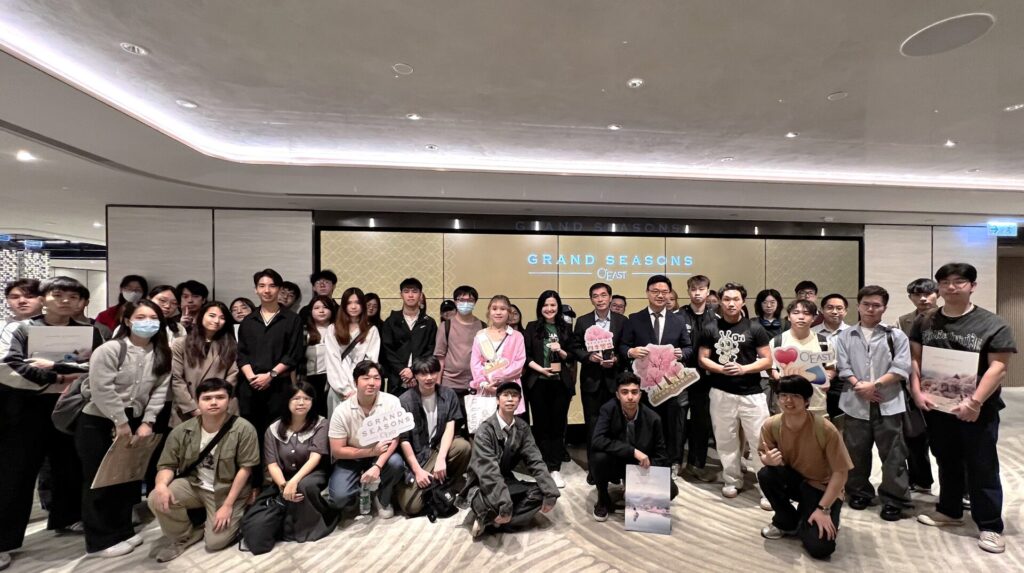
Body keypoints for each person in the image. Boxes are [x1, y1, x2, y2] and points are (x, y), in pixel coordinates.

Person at [910, 262, 1017, 554]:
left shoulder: (992, 323)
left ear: (972, 286)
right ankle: (950, 510)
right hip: (938, 406)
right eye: (945, 282)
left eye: (959, 281)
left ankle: (990, 525)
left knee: (982, 464)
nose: (951, 287)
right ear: (938, 287)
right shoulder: (926, 321)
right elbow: (916, 358)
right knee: (946, 459)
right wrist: (917, 391)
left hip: (977, 409)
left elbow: (998, 367)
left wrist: (975, 402)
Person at [0, 277, 103, 571]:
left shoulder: (89, 332)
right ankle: (3, 541)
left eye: (73, 296)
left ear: (82, 302)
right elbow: (10, 365)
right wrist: (60, 376)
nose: (65, 301)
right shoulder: (20, 329)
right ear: (44, 298)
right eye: (58, 295)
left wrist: (57, 369)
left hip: (70, 406)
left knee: (69, 464)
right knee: (15, 473)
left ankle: (67, 517)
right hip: (25, 408)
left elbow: (96, 365)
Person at [75, 299, 171, 557]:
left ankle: (122, 531)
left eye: (153, 317)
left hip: (137, 419)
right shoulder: (110, 350)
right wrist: (121, 422)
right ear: (127, 321)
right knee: (100, 480)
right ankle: (100, 541)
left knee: (125, 478)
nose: (147, 322)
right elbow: (102, 389)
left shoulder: (161, 353)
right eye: (140, 317)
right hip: (99, 419)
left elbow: (159, 391)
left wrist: (148, 421)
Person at [148, 378, 260, 562]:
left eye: (220, 397)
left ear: (230, 400)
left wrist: (228, 505)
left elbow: (245, 469)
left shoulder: (244, 429)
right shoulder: (182, 431)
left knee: (215, 542)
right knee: (156, 496)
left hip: (227, 490)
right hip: (194, 484)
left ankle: (233, 516)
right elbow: (167, 465)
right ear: (197, 401)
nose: (214, 402)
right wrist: (160, 486)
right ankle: (184, 536)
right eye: (207, 398)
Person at [834, 285, 912, 521]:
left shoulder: (896, 335)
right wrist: (860, 386)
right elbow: (843, 367)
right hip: (855, 402)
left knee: (893, 454)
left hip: (889, 402)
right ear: (858, 306)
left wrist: (874, 386)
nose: (870, 309)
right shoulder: (845, 336)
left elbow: (901, 367)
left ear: (884, 308)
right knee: (855, 451)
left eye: (876, 305)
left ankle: (894, 499)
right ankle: (859, 491)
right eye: (866, 304)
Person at [758, 376, 853, 560]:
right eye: (783, 395)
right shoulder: (772, 425)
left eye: (795, 396)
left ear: (807, 401)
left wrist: (823, 509)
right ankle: (786, 521)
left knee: (821, 548)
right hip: (796, 481)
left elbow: (841, 473)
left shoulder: (825, 429)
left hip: (822, 488)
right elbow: (764, 454)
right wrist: (767, 460)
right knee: (766, 474)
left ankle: (813, 516)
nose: (788, 400)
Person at [698, 282, 772, 505]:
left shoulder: (755, 328)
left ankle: (768, 488)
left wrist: (744, 369)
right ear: (720, 302)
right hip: (721, 392)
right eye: (727, 299)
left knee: (760, 440)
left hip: (752, 393)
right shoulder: (710, 328)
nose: (731, 303)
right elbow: (703, 359)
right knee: (725, 439)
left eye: (736, 299)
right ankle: (732, 480)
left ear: (743, 301)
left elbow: (767, 360)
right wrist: (722, 369)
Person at [462, 381, 559, 538]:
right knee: (490, 501)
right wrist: (504, 503)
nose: (510, 399)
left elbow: (535, 461)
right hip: (482, 483)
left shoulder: (522, 428)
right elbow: (488, 472)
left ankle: (490, 520)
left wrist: (550, 491)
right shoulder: (485, 430)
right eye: (505, 395)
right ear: (497, 400)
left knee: (540, 494)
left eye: (514, 396)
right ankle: (495, 513)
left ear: (519, 401)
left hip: (506, 480)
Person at [236, 268, 305, 483]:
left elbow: (294, 354)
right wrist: (251, 377)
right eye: (262, 286)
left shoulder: (292, 319)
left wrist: (271, 375)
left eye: (272, 286)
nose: (267, 290)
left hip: (278, 387)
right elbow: (242, 354)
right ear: (256, 290)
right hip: (250, 388)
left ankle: (277, 483)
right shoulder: (248, 320)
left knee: (277, 434)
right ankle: (254, 483)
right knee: (251, 435)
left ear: (279, 289)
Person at [620, 275, 693, 474]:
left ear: (669, 294)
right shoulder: (635, 319)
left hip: (670, 384)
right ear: (647, 293)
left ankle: (671, 463)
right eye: (655, 291)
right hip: (644, 384)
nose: (660, 295)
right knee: (645, 424)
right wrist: (631, 351)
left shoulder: (678, 320)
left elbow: (688, 347)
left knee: (672, 424)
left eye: (664, 292)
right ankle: (644, 463)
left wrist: (682, 353)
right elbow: (623, 346)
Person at [590, 372, 678, 521]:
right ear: (617, 395)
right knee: (598, 457)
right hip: (616, 461)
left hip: (640, 466)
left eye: (634, 392)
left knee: (671, 490)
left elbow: (661, 455)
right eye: (625, 392)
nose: (630, 397)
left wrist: (640, 482)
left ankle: (632, 492)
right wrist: (632, 451)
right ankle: (603, 499)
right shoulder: (608, 409)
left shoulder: (653, 418)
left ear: (640, 394)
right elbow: (597, 440)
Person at [327, 360, 406, 518]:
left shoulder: (392, 402)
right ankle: (362, 493)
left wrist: (377, 465)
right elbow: (337, 450)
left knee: (396, 463)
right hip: (352, 456)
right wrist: (370, 452)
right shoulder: (342, 410)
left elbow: (394, 438)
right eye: (366, 378)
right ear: (355, 382)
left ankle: (382, 496)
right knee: (339, 498)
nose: (372, 383)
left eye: (376, 378)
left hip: (381, 453)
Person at [261, 381, 336, 544]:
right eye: (295, 398)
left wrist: (293, 482)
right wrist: (283, 485)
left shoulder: (321, 424)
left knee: (304, 486)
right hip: (284, 476)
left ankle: (313, 528)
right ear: (287, 401)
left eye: (306, 398)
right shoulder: (273, 429)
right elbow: (272, 464)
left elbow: (315, 458)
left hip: (314, 472)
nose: (301, 403)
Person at [396, 356, 472, 516]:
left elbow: (450, 427)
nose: (429, 378)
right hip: (416, 456)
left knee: (463, 446)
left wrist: (441, 459)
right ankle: (431, 485)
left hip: (437, 448)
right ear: (415, 376)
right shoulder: (404, 401)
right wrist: (418, 471)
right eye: (423, 374)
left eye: (433, 373)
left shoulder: (448, 394)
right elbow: (404, 439)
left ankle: (446, 483)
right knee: (411, 507)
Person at [572, 282, 626, 485]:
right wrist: (589, 357)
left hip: (614, 381)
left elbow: (625, 347)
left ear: (610, 297)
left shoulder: (622, 321)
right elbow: (575, 347)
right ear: (591, 299)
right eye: (596, 296)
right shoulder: (583, 321)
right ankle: (595, 470)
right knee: (593, 426)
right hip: (591, 381)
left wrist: (617, 359)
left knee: (615, 426)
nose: (600, 299)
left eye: (604, 295)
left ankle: (614, 470)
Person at [523, 290, 576, 488]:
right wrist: (540, 370)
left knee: (557, 426)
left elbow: (572, 355)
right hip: (538, 382)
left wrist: (560, 350)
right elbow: (526, 355)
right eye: (545, 305)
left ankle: (555, 468)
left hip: (560, 384)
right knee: (541, 426)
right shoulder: (532, 327)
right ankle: (542, 466)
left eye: (553, 305)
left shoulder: (565, 328)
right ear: (540, 307)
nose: (549, 308)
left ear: (558, 307)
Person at [897, 278, 939, 495]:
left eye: (928, 293)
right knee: (914, 436)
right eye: (917, 294)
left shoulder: (948, 317)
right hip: (912, 384)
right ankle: (921, 480)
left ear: (937, 294)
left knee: (945, 440)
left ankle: (960, 489)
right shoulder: (903, 321)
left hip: (942, 383)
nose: (923, 298)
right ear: (910, 297)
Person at [170, 301, 239, 426]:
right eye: (212, 315)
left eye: (222, 318)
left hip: (220, 407)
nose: (217, 321)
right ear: (201, 316)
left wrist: (216, 403)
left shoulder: (230, 345)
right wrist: (192, 408)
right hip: (187, 407)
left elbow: (232, 376)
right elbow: (177, 379)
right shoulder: (181, 343)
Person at [677, 275, 718, 482]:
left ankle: (697, 464)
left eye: (701, 289)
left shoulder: (716, 318)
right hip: (681, 377)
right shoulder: (678, 316)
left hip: (706, 378)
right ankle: (675, 463)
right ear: (688, 291)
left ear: (708, 291)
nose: (697, 293)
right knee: (678, 421)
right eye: (693, 289)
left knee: (701, 423)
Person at [767, 299, 834, 416]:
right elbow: (770, 368)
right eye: (796, 312)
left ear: (814, 318)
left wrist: (828, 377)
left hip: (816, 404)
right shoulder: (777, 342)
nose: (801, 317)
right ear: (789, 317)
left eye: (806, 313)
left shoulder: (823, 342)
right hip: (786, 405)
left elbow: (830, 367)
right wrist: (778, 377)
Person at [325, 287, 380, 417]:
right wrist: (346, 390)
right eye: (349, 303)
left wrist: (358, 389)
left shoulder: (371, 330)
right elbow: (332, 361)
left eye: (357, 303)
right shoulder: (333, 329)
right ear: (343, 305)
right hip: (338, 389)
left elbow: (370, 362)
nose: (353, 306)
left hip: (362, 390)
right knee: (339, 425)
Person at [380, 278, 438, 395]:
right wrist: (403, 371)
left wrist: (413, 371)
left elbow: (430, 350)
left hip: (421, 378)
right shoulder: (391, 321)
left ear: (420, 295)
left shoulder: (429, 323)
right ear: (401, 295)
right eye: (406, 291)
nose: (410, 295)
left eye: (414, 291)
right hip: (396, 379)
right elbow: (387, 350)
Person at [470, 295, 527, 414]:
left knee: (509, 423)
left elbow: (519, 362)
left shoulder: (517, 336)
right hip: (486, 388)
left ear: (509, 312)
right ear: (489, 311)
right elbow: (475, 363)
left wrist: (500, 376)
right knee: (487, 423)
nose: (498, 312)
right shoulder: (481, 335)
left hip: (509, 387)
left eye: (503, 309)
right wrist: (485, 383)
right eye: (494, 308)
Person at [434, 285, 485, 418]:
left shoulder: (482, 327)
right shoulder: (446, 326)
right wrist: (437, 385)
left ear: (475, 302)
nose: (466, 303)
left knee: (473, 424)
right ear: (455, 302)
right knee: (451, 423)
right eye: (462, 300)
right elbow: (440, 358)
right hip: (450, 383)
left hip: (475, 384)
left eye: (470, 300)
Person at [302, 295, 338, 418]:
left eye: (325, 307)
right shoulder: (304, 331)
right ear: (311, 311)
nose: (321, 311)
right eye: (316, 308)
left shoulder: (338, 331)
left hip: (332, 378)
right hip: (310, 378)